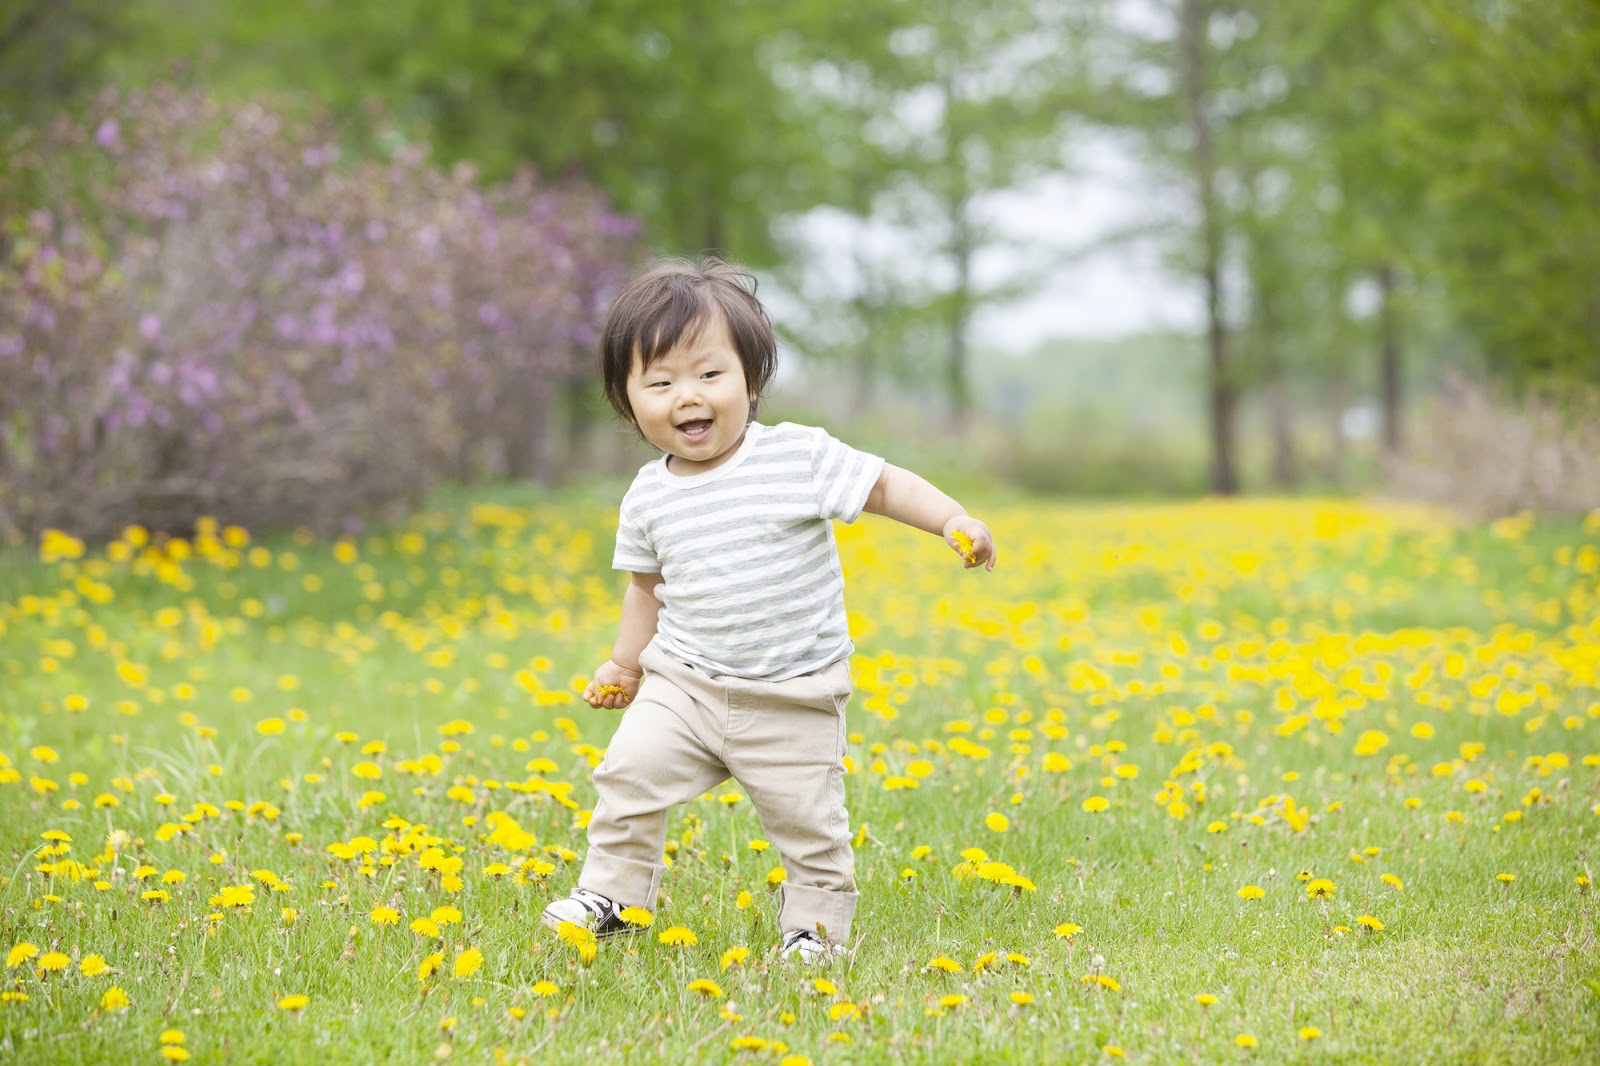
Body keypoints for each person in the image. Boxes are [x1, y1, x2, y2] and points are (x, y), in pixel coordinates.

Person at [541, 258, 997, 962]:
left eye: (708, 375)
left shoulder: (796, 457)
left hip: (792, 695)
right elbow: (644, 589)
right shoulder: (647, 495)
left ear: (750, 381)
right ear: (628, 400)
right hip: (684, 685)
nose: (685, 396)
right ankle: (615, 895)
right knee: (627, 774)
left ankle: (813, 933)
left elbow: (881, 487)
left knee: (809, 825)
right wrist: (624, 665)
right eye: (659, 382)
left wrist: (950, 519)